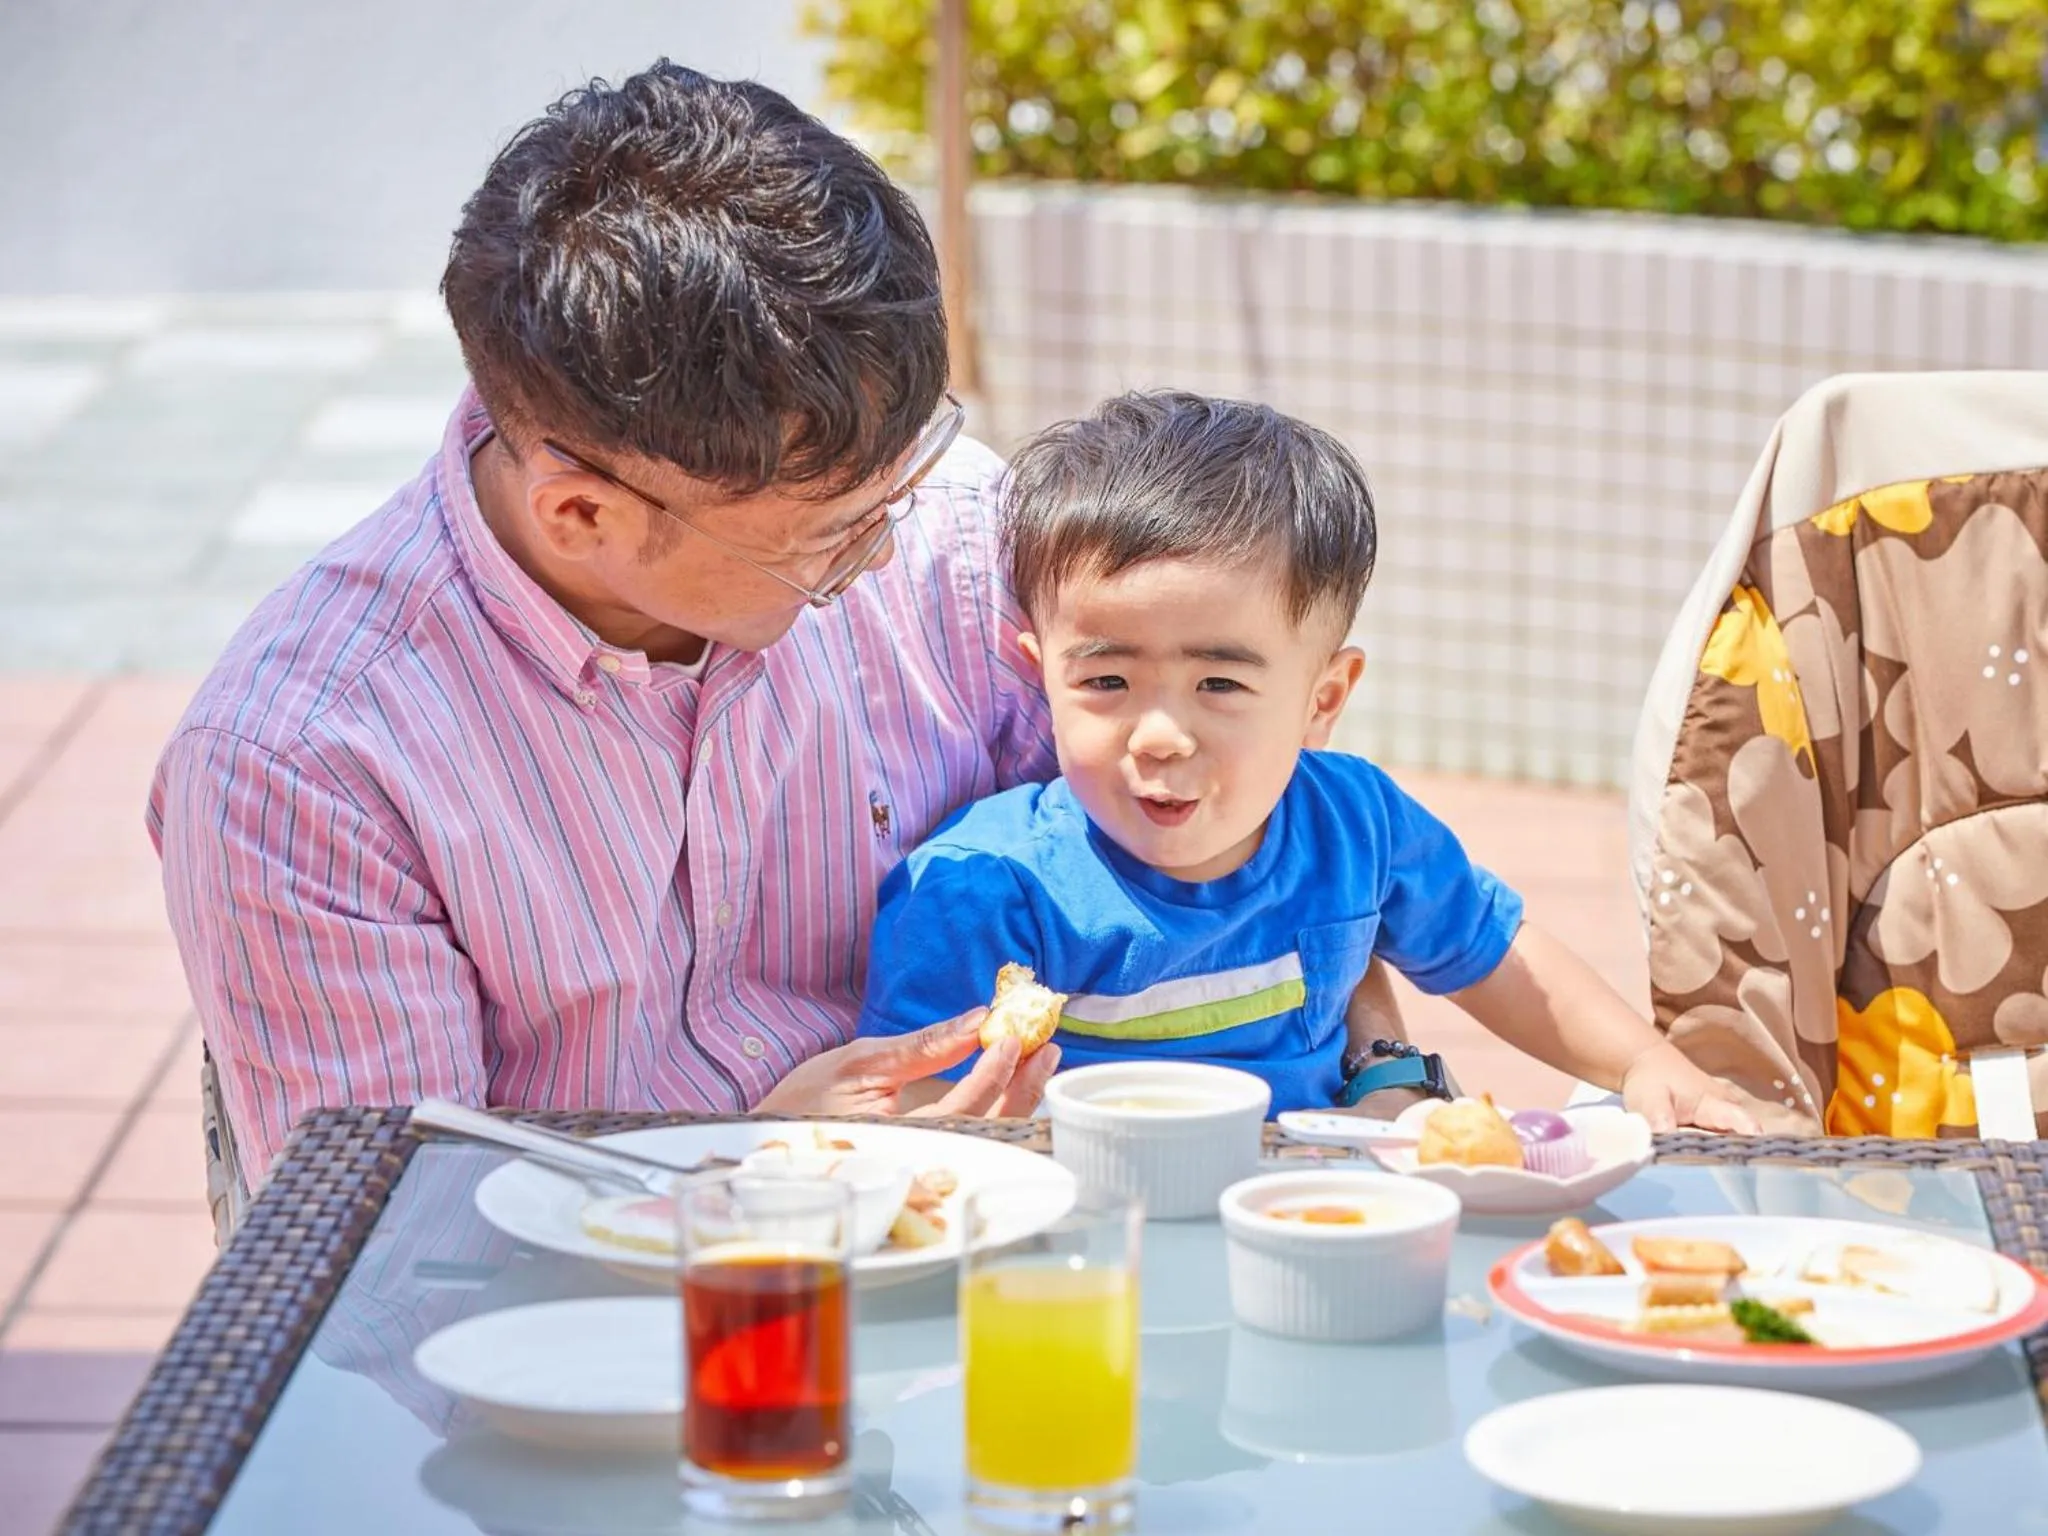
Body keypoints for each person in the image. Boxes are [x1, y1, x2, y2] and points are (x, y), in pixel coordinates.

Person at [146, 62, 1067, 1189]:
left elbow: (1202, 870)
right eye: (827, 539)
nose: (885, 549)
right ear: (582, 515)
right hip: (594, 1288)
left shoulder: (954, 537)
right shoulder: (304, 766)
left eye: (905, 475)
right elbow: (394, 1229)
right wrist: (744, 1171)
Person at [858, 392, 1758, 1132]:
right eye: (1106, 681)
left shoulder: (1353, 826)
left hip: (1318, 1206)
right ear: (1040, 677)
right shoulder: (985, 886)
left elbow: (1495, 954)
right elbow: (914, 1093)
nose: (1160, 733)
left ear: (1322, 700)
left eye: (1219, 683)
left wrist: (1644, 1063)